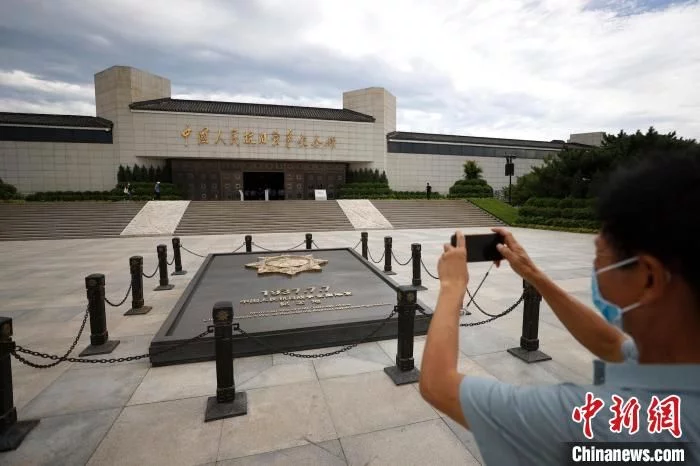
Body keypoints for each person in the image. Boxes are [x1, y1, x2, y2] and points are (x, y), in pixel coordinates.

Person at [419, 153, 700, 465]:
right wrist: (534, 276)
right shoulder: (677, 363)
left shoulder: (602, 423)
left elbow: (438, 384)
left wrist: (451, 287)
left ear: (648, 278)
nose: (595, 268)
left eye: (602, 256)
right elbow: (612, 344)